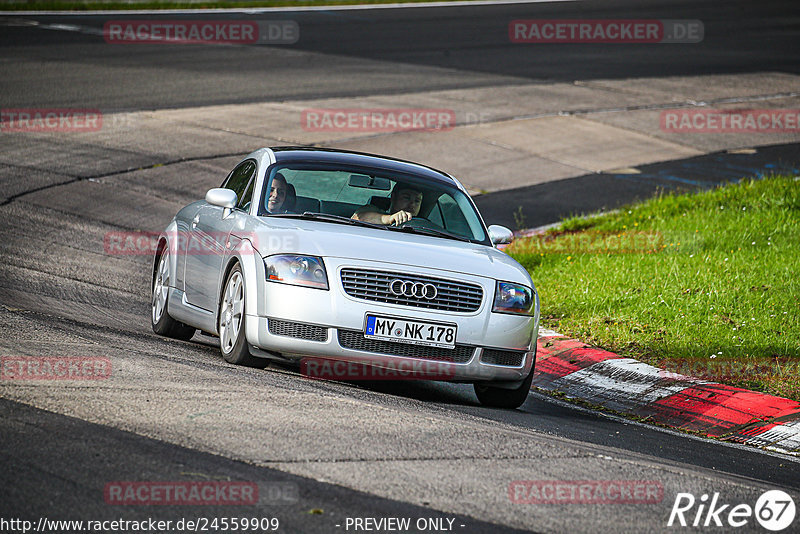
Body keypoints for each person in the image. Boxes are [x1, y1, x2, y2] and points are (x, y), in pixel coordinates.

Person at [352, 184, 423, 225]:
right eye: (406, 198)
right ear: (393, 197)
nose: (412, 204)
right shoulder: (373, 210)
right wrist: (390, 219)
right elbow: (358, 218)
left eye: (417, 201)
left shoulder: (425, 227)